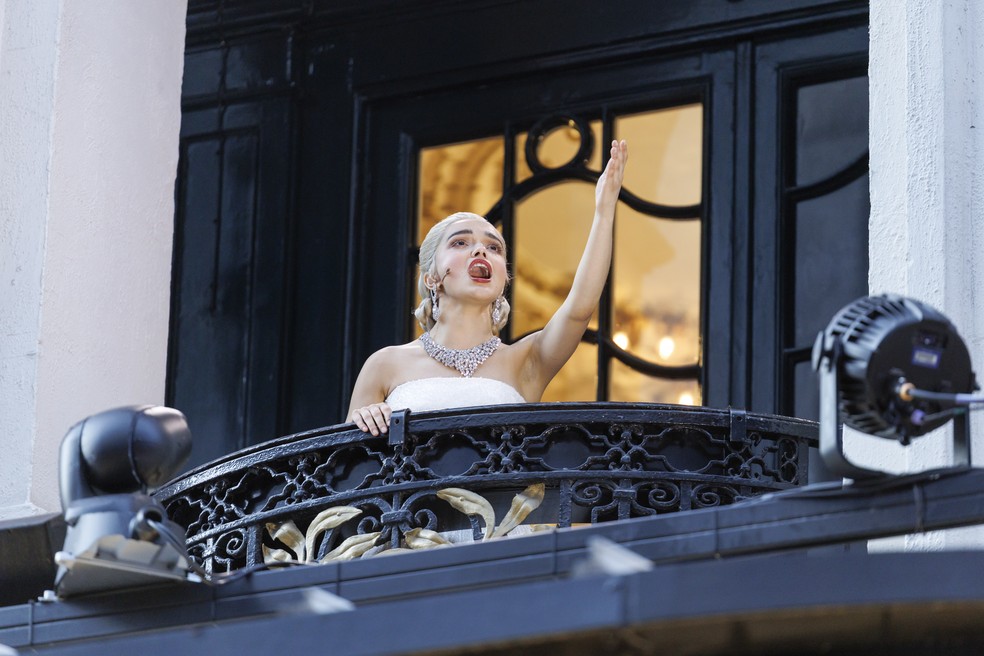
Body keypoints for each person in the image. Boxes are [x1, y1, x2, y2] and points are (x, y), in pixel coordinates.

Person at [348, 139, 628, 435]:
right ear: (431, 277)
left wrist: (604, 211)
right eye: (460, 242)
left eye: (494, 248)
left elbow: (579, 310)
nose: (481, 251)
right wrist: (367, 418)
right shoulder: (384, 364)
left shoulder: (525, 361)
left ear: (503, 281)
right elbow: (346, 467)